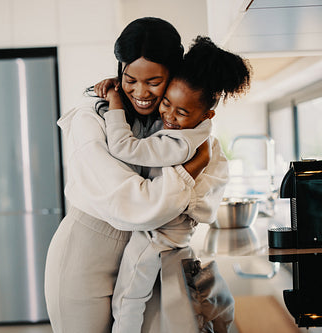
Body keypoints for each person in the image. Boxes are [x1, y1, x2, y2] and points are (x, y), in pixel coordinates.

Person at [44, 17, 220, 333]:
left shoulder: (170, 121)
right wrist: (192, 167)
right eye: (130, 79)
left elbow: (204, 196)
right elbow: (135, 206)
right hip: (86, 256)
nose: (141, 92)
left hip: (142, 260)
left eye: (154, 81)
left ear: (174, 75)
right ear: (119, 71)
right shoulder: (91, 117)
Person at [98, 36, 251, 333]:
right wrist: (123, 87)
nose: (168, 115)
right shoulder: (198, 132)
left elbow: (124, 147)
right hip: (174, 232)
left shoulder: (180, 144)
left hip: (158, 235)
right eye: (166, 103)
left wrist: (116, 101)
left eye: (181, 112)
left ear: (207, 114)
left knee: (128, 297)